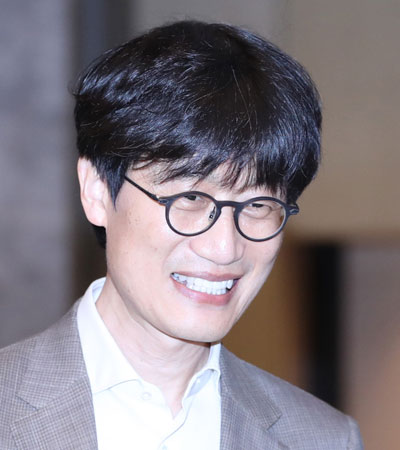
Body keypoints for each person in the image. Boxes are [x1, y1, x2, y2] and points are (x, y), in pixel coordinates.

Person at [0, 20, 363, 450]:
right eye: (190, 198)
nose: (224, 248)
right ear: (96, 190)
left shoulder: (324, 439)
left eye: (258, 206)